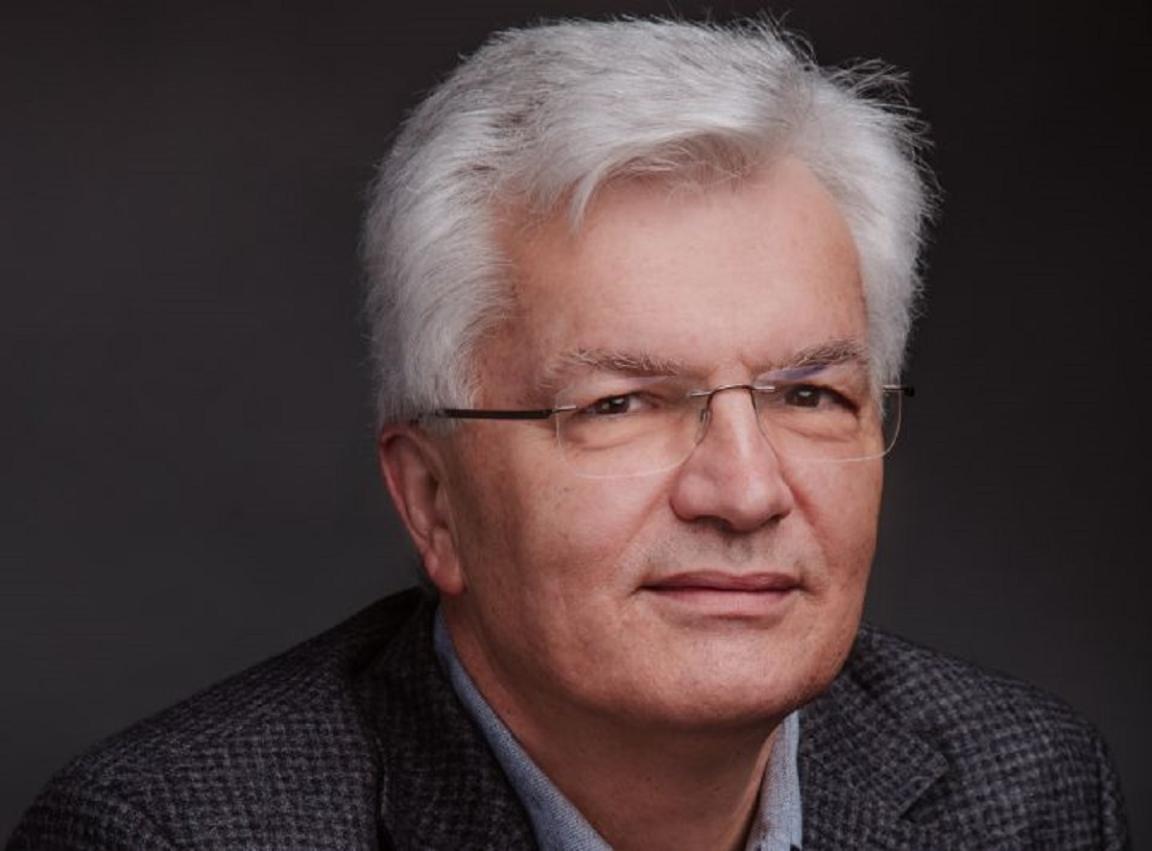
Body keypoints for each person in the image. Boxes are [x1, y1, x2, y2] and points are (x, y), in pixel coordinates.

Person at [7, 17, 1129, 851]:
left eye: (807, 395)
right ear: (433, 501)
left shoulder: (1018, 786)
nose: (745, 491)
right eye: (621, 404)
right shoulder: (168, 832)